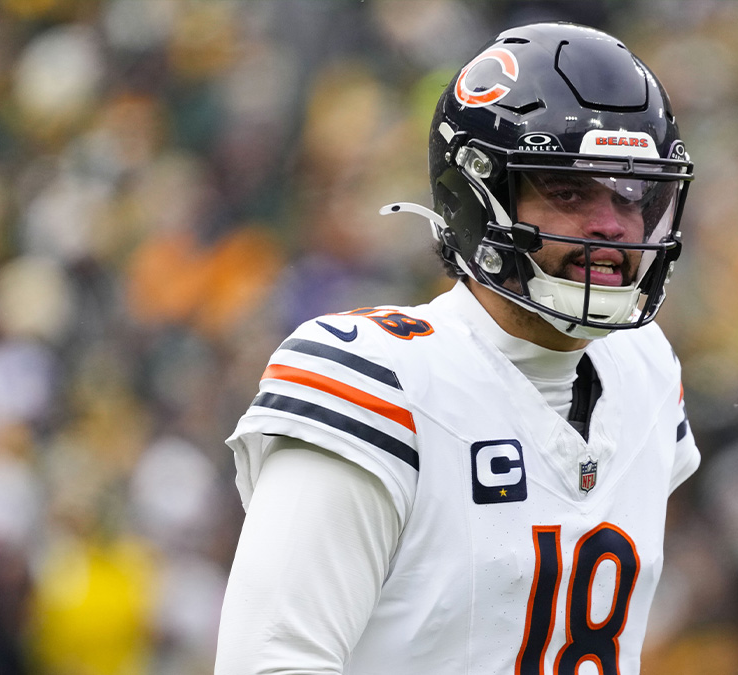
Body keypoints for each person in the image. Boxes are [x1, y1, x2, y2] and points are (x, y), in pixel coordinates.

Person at [215, 21, 700, 675]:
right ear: (478, 194)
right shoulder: (379, 378)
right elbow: (272, 659)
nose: (611, 223)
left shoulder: (645, 370)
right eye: (567, 189)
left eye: (633, 189)